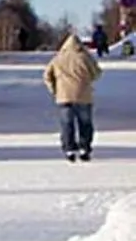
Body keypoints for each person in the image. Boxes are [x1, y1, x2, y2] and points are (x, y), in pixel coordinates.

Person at [43, 33, 101, 162]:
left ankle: (69, 149)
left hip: (64, 96)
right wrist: (87, 80)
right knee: (85, 124)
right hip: (83, 96)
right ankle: (84, 148)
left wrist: (54, 90)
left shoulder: (58, 58)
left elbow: (47, 76)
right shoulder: (85, 57)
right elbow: (97, 73)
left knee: (67, 124)